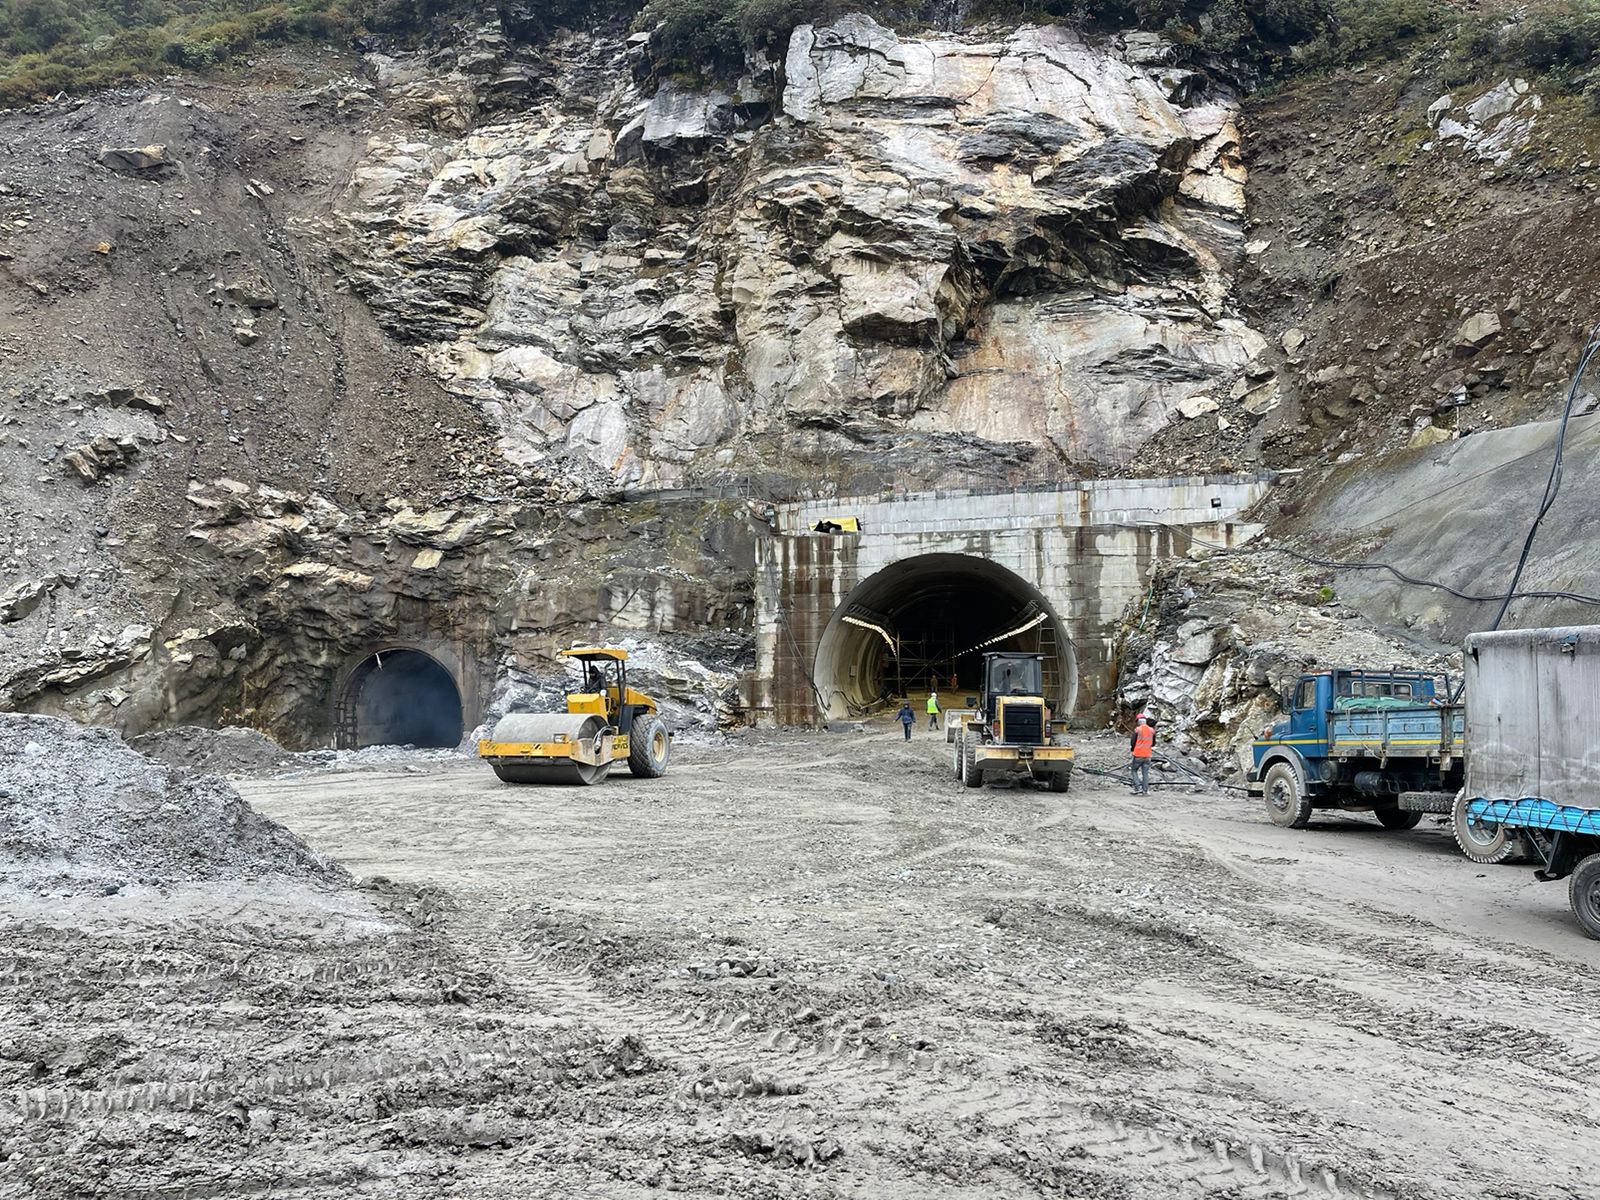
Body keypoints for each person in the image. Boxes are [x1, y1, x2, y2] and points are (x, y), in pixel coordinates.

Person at [1129, 713, 1156, 795]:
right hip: (1148, 755)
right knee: (1145, 773)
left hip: (1138, 754)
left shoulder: (1138, 730)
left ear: (1138, 722)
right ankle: (1145, 790)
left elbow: (1132, 742)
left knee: (1134, 770)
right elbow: (1153, 743)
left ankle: (1138, 787)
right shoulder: (1152, 730)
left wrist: (1132, 749)